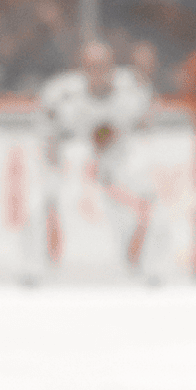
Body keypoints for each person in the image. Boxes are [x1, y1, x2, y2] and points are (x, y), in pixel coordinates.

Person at [32, 40, 161, 279]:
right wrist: (54, 169)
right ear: (82, 68)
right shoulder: (61, 93)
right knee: (42, 200)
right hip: (77, 158)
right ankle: (41, 267)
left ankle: (146, 266)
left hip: (120, 156)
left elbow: (144, 129)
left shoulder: (134, 88)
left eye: (103, 66)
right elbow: (48, 134)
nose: (98, 72)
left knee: (147, 197)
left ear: (113, 66)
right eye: (91, 66)